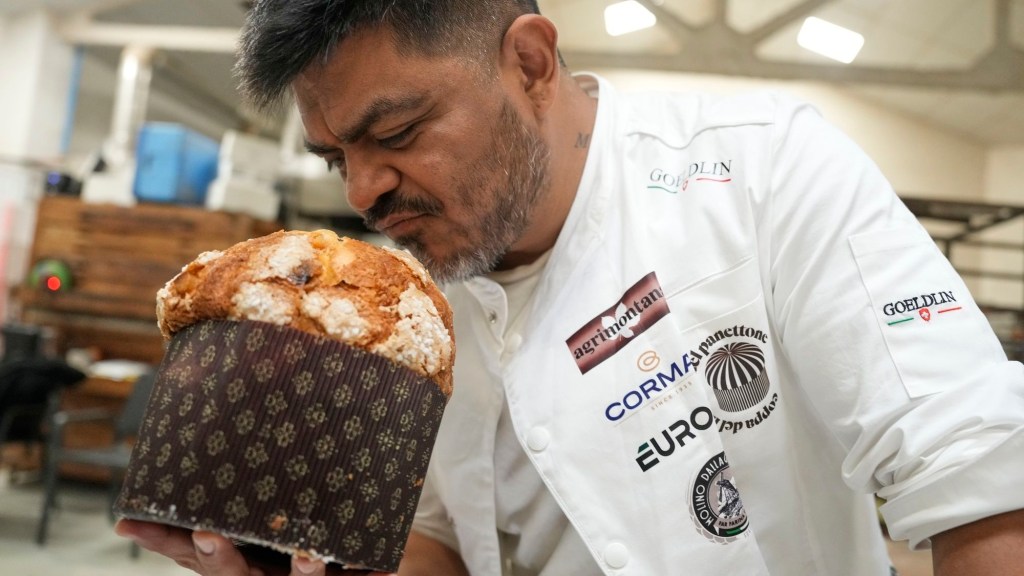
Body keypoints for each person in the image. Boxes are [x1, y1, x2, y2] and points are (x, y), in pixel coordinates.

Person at [116, 1, 1024, 574]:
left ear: (531, 63)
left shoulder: (761, 167)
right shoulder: (397, 312)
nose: (362, 191)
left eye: (395, 130)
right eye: (336, 156)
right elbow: (438, 539)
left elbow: (978, 480)